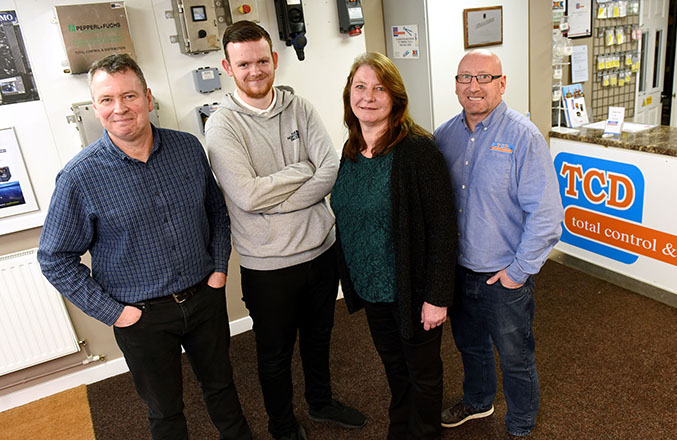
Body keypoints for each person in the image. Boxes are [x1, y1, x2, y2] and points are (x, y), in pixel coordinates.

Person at [37, 53, 251, 440]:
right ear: (95, 107)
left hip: (204, 297)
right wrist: (115, 313)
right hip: (142, 316)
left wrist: (219, 269)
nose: (119, 108)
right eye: (106, 100)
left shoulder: (188, 148)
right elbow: (54, 259)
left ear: (148, 98)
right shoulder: (79, 177)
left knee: (222, 387)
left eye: (129, 96)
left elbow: (217, 211)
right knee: (165, 412)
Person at [204, 21, 365, 440]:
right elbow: (246, 196)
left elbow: (329, 169)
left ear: (274, 60)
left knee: (319, 338)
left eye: (262, 60)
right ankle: (282, 425)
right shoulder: (222, 125)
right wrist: (300, 172)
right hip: (269, 265)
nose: (255, 71)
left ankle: (321, 402)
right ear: (227, 67)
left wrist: (281, 192)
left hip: (321, 251)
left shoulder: (301, 107)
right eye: (244, 64)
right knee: (273, 354)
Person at [434, 50, 564, 439]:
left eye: (484, 78)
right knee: (470, 347)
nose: (473, 86)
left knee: (515, 356)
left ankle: (521, 424)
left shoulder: (523, 137)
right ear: (456, 85)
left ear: (502, 84)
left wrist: (517, 272)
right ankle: (478, 402)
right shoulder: (444, 136)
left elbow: (546, 216)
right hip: (460, 271)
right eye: (464, 78)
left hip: (503, 276)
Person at [330, 52, 458, 440]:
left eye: (379, 88)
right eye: (360, 87)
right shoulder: (352, 151)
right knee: (394, 366)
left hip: (412, 289)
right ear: (349, 95)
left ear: (396, 98)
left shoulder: (417, 151)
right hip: (372, 288)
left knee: (422, 371)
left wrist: (437, 297)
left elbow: (442, 228)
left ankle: (425, 433)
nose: (368, 96)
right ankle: (401, 427)